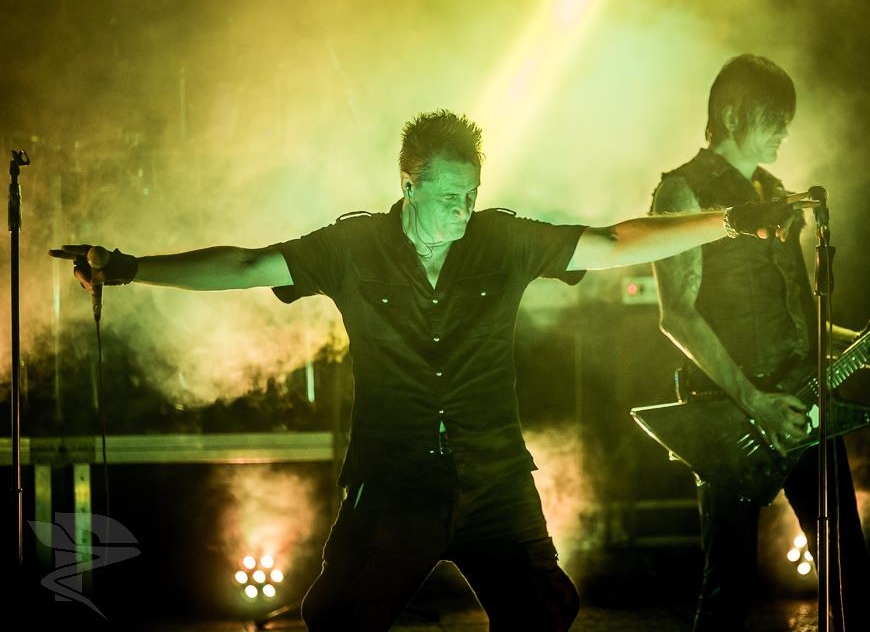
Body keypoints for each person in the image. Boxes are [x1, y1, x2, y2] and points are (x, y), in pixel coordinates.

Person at [50, 109, 793, 632]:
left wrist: (729, 221)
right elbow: (246, 264)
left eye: (471, 195)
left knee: (542, 614)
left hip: (495, 480)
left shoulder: (500, 240)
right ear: (408, 184)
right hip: (393, 480)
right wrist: (133, 268)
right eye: (447, 197)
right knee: (342, 620)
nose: (464, 211)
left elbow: (613, 241)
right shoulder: (353, 248)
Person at [648, 56, 870, 632]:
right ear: (732, 114)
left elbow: (800, 319)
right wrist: (754, 401)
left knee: (848, 567)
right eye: (774, 116)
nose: (785, 130)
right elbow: (677, 316)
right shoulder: (682, 191)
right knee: (729, 582)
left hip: (802, 403)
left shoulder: (780, 196)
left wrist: (859, 342)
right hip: (729, 415)